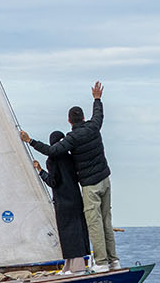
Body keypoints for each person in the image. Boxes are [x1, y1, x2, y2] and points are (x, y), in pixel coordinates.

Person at [22, 81, 115, 270]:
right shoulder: (93, 126)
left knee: (94, 223)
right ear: (82, 117)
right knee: (106, 220)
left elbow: (52, 151)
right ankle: (114, 260)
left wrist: (30, 141)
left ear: (69, 121)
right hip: (105, 180)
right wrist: (97, 99)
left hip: (90, 185)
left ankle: (103, 263)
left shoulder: (71, 139)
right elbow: (99, 114)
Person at [31, 131, 89, 273]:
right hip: (76, 199)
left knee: (66, 234)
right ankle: (74, 265)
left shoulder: (52, 160)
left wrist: (40, 170)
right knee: (77, 231)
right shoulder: (70, 158)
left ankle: (74, 267)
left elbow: (53, 182)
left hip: (62, 202)